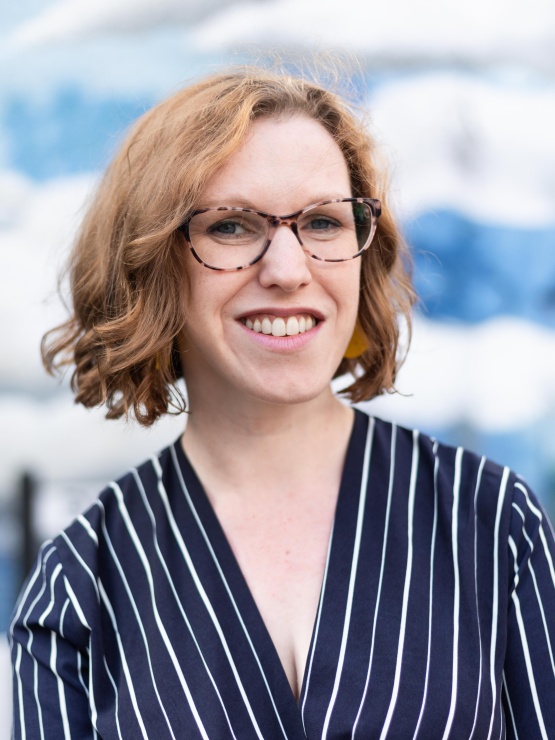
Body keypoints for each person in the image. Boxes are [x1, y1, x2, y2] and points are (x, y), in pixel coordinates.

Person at [9, 65, 555, 739]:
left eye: (323, 222)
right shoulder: (80, 584)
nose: (288, 269)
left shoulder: (491, 523)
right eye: (232, 227)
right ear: (151, 263)